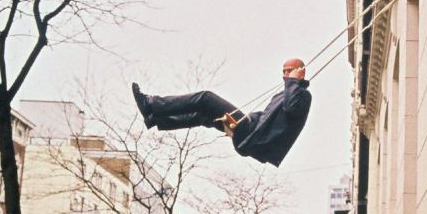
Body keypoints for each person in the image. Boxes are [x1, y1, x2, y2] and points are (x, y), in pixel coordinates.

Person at [131, 58, 312, 167]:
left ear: (301, 73)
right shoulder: (287, 93)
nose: (286, 75)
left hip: (253, 136)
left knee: (205, 98)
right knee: (204, 116)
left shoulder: (303, 95)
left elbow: (291, 108)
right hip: (251, 136)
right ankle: (156, 119)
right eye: (284, 72)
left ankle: (151, 103)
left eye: (290, 71)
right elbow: (266, 118)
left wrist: (293, 82)